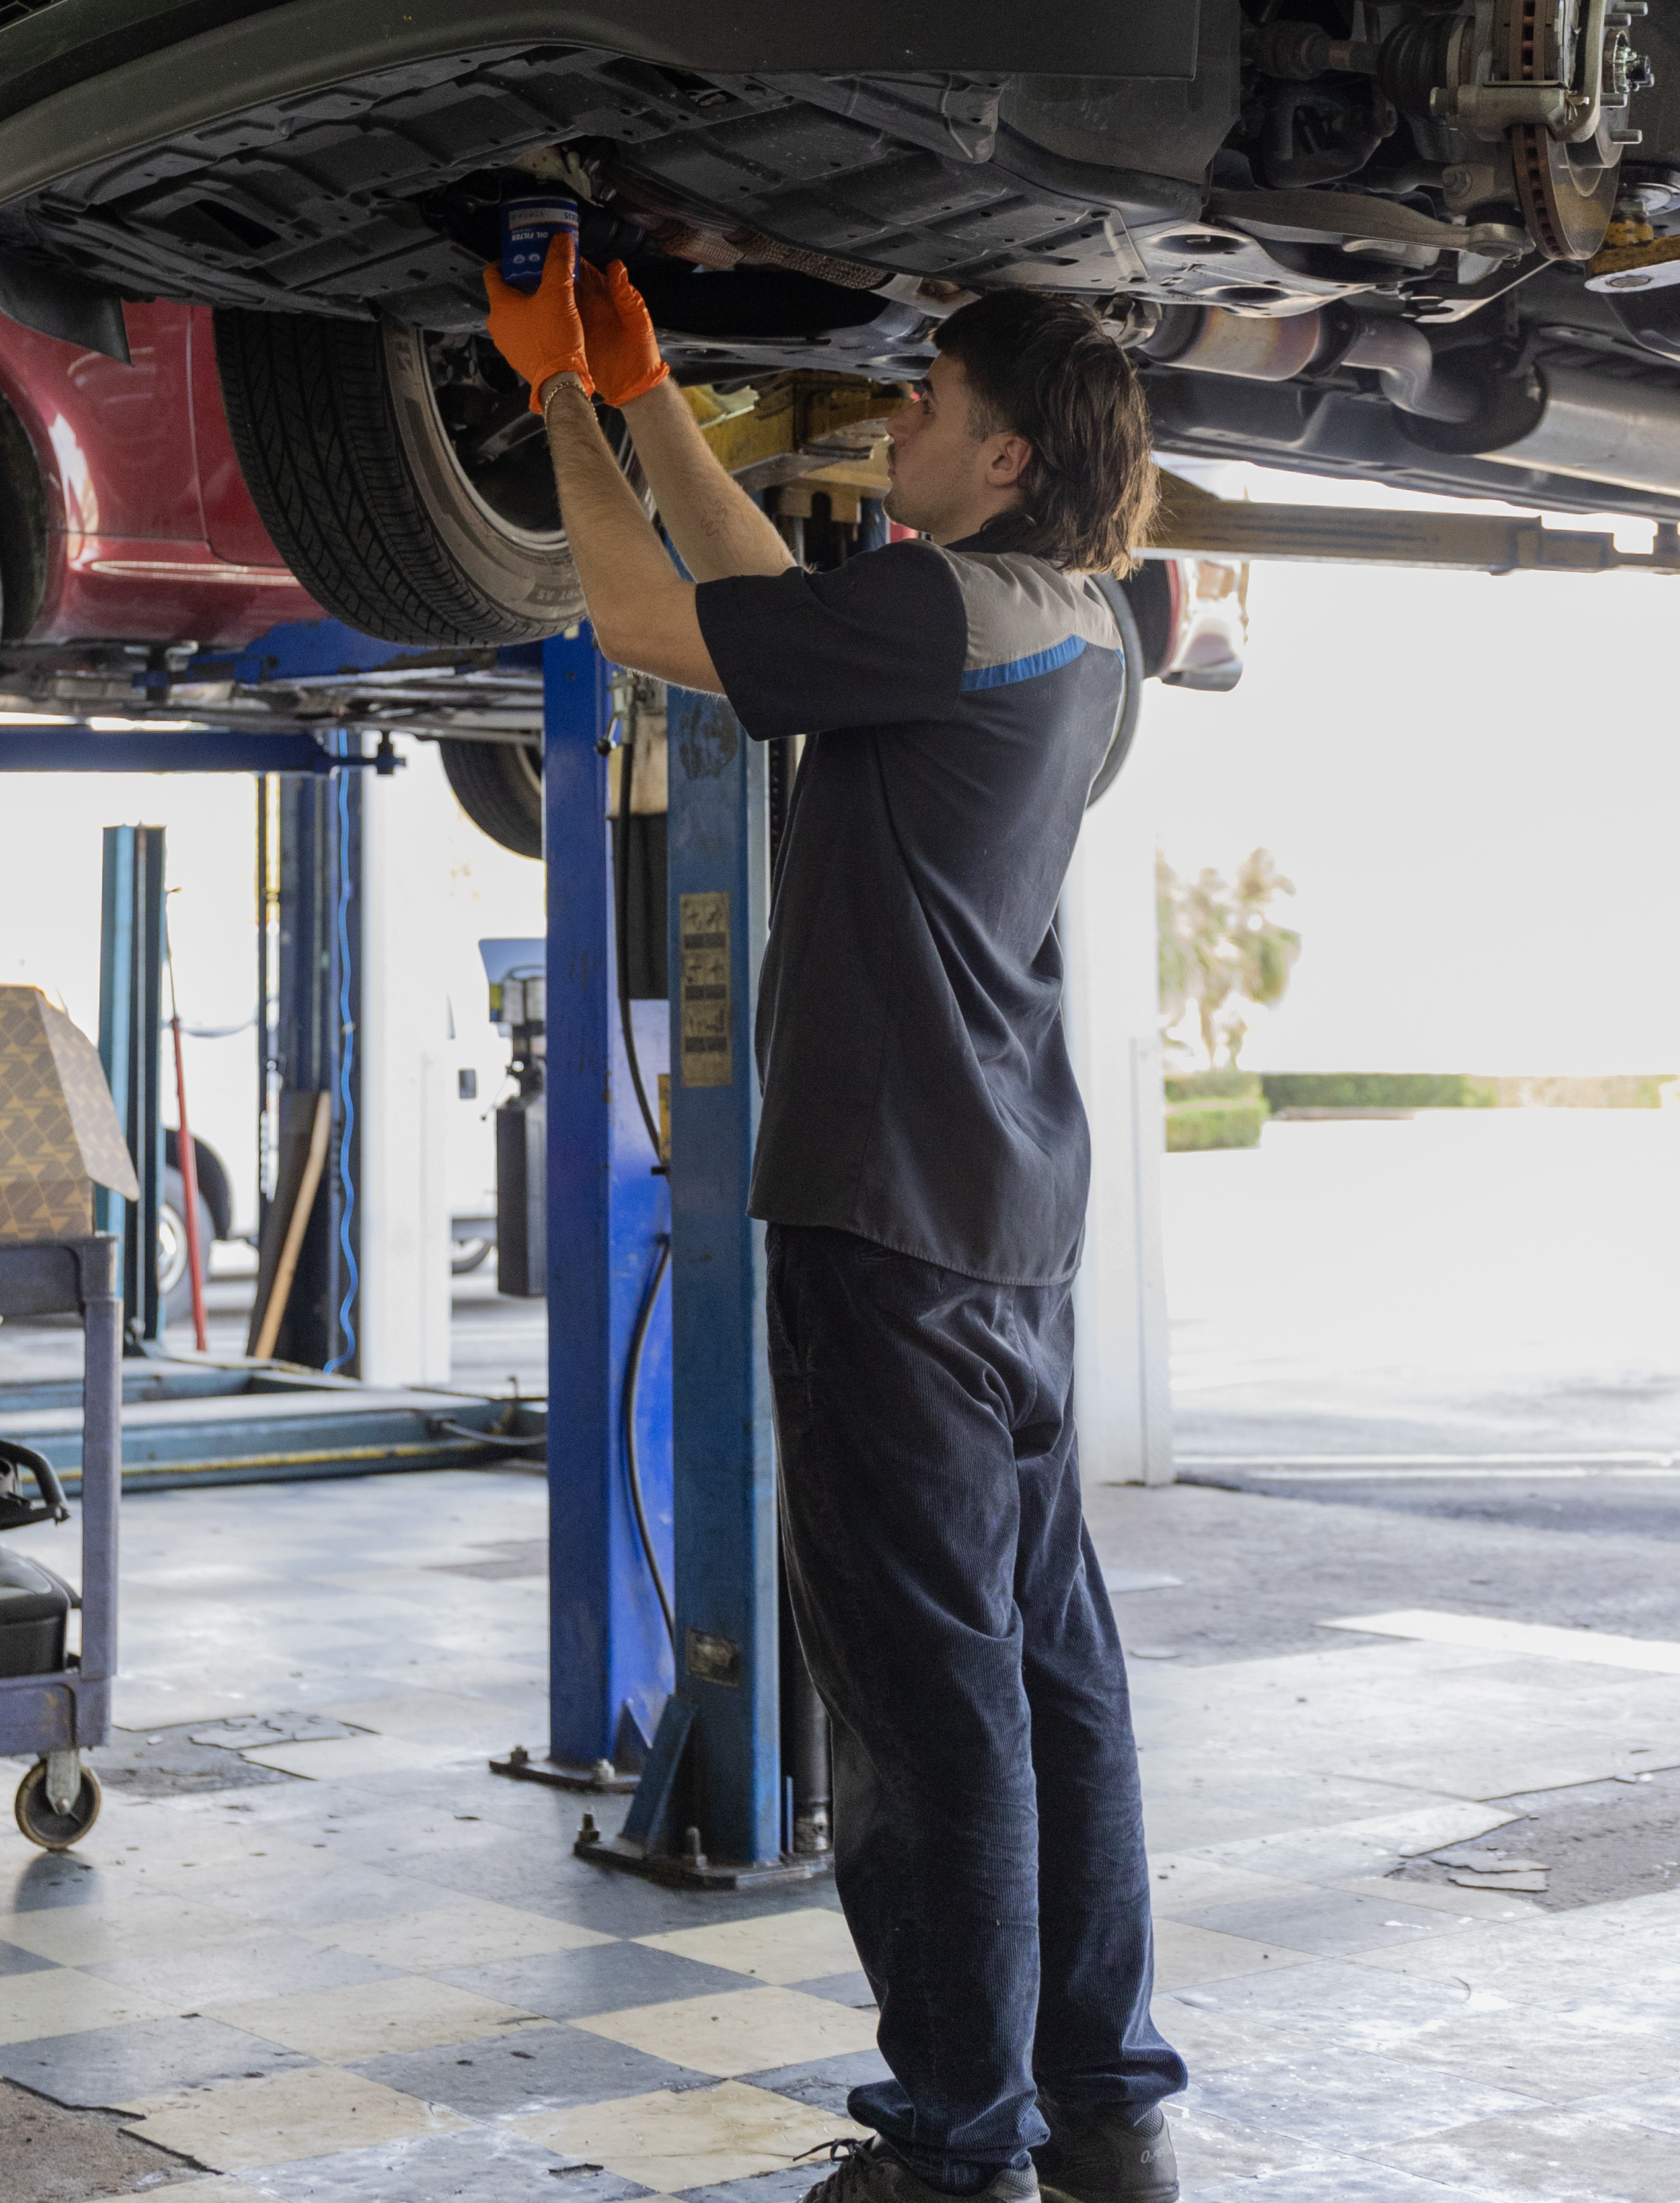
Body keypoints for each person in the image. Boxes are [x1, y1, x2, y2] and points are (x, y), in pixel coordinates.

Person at [482, 235, 1187, 2203]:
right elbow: (780, 610)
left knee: (916, 1690)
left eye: (932, 404)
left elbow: (646, 618)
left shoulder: (948, 609)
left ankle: (955, 2138)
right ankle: (1100, 2079)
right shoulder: (1082, 627)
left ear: (1013, 457)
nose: (901, 416)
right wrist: (637, 397)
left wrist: (549, 405)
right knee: (1050, 1670)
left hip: (882, 1217)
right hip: (1013, 1218)